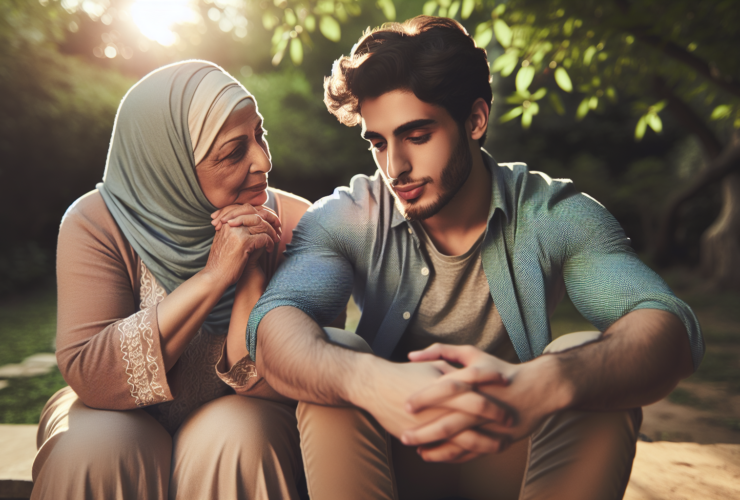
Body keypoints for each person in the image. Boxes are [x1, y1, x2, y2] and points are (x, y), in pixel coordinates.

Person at [247, 16, 704, 500]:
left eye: (417, 136)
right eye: (379, 142)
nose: (394, 167)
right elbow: (275, 327)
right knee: (335, 366)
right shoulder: (346, 216)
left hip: (514, 453)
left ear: (475, 120)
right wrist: (368, 380)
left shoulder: (552, 214)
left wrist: (542, 383)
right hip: (396, 456)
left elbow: (668, 328)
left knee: (583, 364)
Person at [31, 61, 396, 500]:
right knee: (93, 448)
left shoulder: (301, 224)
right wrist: (213, 276)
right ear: (170, 163)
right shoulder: (97, 222)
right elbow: (91, 374)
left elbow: (280, 381)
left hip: (249, 413)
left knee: (239, 437)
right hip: (108, 413)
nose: (263, 160)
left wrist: (251, 276)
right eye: (233, 151)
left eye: (260, 135)